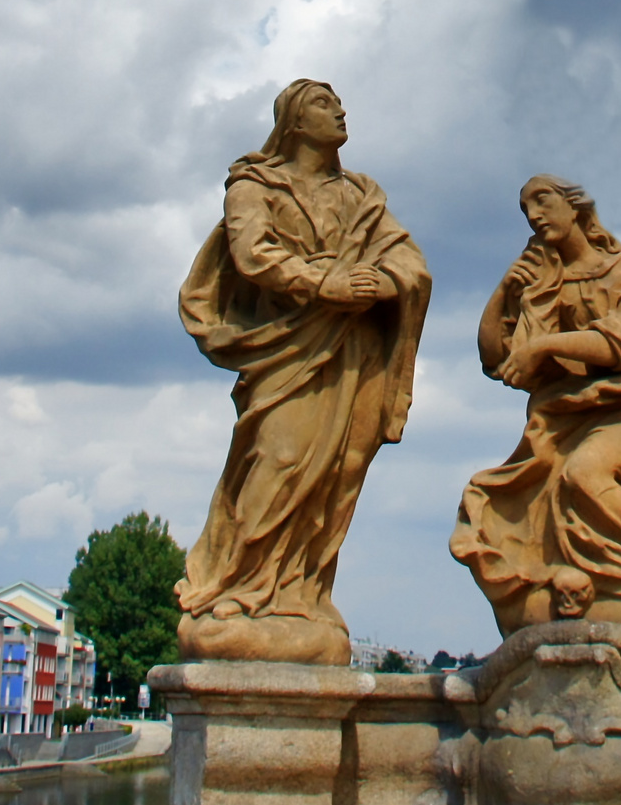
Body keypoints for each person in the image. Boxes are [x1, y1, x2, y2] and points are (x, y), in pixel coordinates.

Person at [176, 79, 431, 664]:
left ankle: (302, 593)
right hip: (290, 348)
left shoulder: (363, 195)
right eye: (323, 103)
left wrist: (381, 283)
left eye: (340, 101)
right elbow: (252, 253)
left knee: (341, 472)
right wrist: (326, 282)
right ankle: (237, 588)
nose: (340, 110)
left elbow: (408, 262)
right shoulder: (254, 185)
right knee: (280, 457)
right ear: (292, 122)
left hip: (356, 352)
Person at [451, 176, 621, 640]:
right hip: (577, 408)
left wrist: (546, 345)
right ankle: (578, 586)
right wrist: (506, 291)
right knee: (514, 490)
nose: (533, 215)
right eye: (525, 209)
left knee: (585, 474)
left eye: (542, 201)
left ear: (576, 207)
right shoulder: (549, 283)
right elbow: (502, 361)